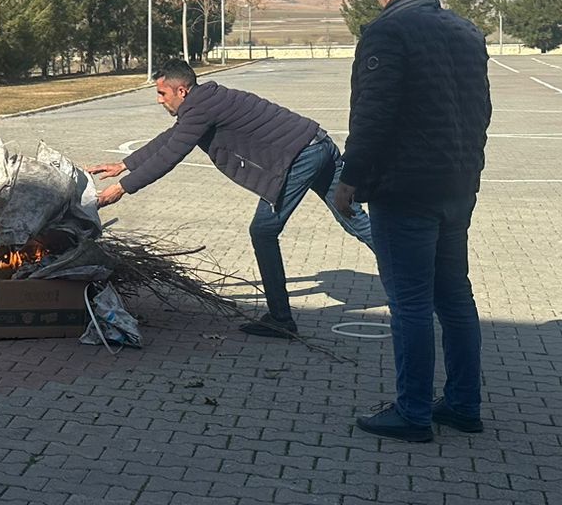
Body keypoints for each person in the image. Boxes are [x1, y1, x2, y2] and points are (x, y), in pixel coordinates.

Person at [332, 0, 491, 443]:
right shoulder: (466, 31)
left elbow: (373, 116)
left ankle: (414, 411)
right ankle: (464, 404)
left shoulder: (387, 32)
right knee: (455, 298)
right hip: (457, 185)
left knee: (411, 304)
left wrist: (349, 178)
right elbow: (481, 112)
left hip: (405, 190)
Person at [89, 60, 372, 338]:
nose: (158, 100)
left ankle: (280, 319)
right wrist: (124, 165)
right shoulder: (205, 101)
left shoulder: (200, 108)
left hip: (301, 158)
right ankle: (412, 274)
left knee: (263, 231)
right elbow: (171, 138)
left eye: (162, 93)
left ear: (182, 92)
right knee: (353, 218)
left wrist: (122, 188)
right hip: (318, 144)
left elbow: (171, 154)